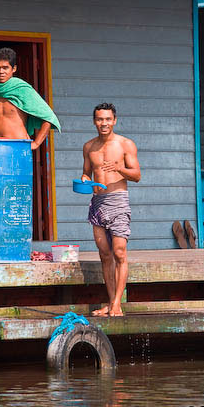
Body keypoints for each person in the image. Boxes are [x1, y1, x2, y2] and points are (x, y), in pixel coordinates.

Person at [82, 103, 141, 316]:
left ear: (114, 120)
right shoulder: (89, 147)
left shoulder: (125, 144)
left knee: (119, 252)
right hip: (97, 203)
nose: (104, 123)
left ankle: (117, 303)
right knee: (104, 255)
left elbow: (136, 175)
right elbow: (87, 172)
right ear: (94, 121)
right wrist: (84, 179)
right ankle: (110, 302)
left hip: (118, 200)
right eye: (99, 119)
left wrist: (118, 168)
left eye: (107, 119)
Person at [0, 47, 60, 149]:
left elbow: (49, 118)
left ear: (13, 69)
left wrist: (36, 143)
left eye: (5, 68)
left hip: (19, 145)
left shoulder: (22, 89)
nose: (1, 71)